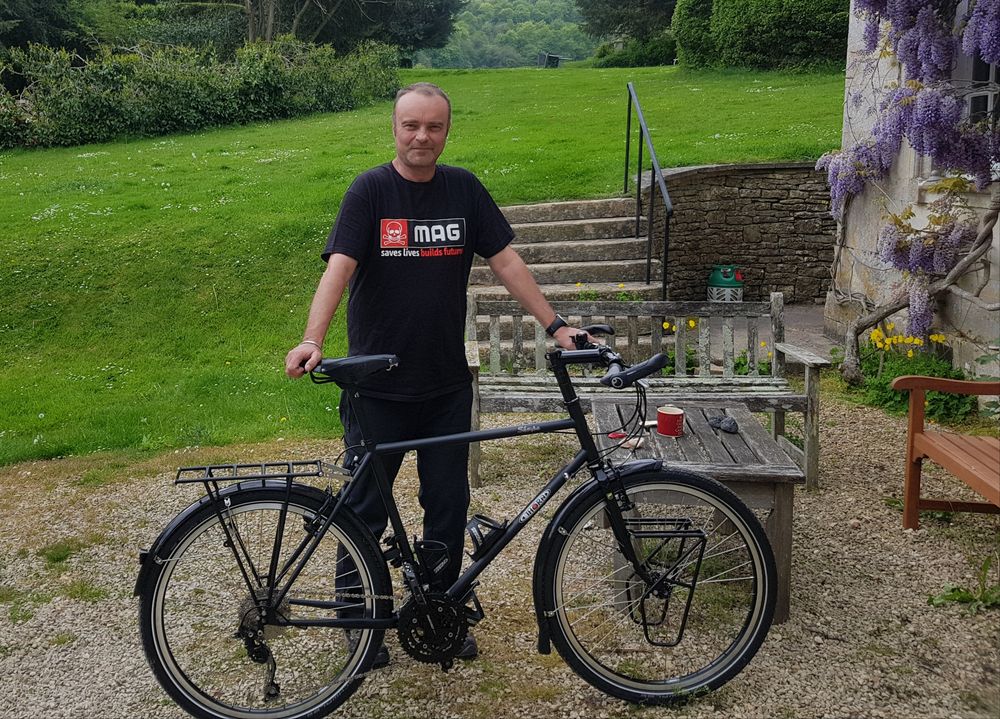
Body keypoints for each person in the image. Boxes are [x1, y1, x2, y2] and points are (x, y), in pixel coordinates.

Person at [284, 82, 581, 664]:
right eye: (411, 126)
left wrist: (557, 326)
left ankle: (441, 611)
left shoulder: (463, 190)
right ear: (394, 129)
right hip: (378, 386)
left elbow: (506, 261)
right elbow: (339, 268)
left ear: (447, 131)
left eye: (434, 127)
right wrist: (312, 339)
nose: (422, 137)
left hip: (445, 382)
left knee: (446, 502)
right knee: (367, 506)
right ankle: (360, 621)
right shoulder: (370, 190)